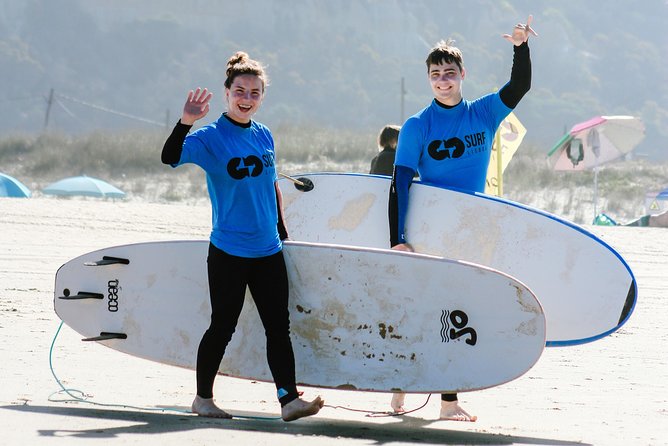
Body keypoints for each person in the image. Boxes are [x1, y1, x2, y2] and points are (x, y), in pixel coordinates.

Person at [387, 15, 537, 421]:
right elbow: (399, 183)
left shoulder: (484, 113)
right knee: (428, 307)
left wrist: (520, 47)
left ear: (461, 75)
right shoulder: (418, 125)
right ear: (428, 79)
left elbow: (519, 86)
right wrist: (396, 238)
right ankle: (414, 386)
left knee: (456, 310)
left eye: (449, 73)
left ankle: (437, 396)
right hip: (430, 228)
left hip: (472, 226)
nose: (442, 80)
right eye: (435, 75)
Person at [161, 51, 324, 422]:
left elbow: (271, 186)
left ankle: (288, 400)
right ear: (226, 93)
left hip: (268, 250)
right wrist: (185, 122)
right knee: (222, 326)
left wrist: (282, 230)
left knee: (278, 328)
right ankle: (203, 399)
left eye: (254, 93)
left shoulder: (264, 134)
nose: (246, 98)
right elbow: (169, 157)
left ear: (262, 96)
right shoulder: (210, 138)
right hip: (229, 251)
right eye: (240, 91)